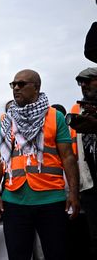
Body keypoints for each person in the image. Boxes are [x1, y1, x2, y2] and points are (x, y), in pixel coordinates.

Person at [0, 69, 80, 260]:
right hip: (13, 200)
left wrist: (73, 193)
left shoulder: (55, 117)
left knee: (57, 254)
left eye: (21, 84)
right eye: (13, 84)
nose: (16, 88)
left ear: (36, 88)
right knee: (17, 256)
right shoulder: (6, 120)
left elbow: (68, 157)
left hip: (51, 200)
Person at [69, 67, 97, 258]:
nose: (84, 85)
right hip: (90, 185)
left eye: (88, 80)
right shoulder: (78, 110)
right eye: (81, 82)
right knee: (95, 238)